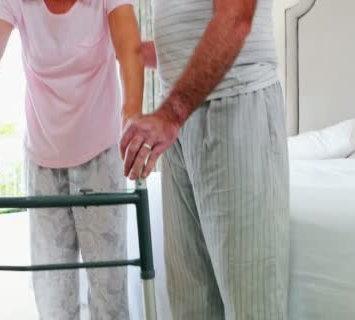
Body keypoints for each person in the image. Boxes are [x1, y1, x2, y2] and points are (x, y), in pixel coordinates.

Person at [0, 0, 144, 319]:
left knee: (108, 281)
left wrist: (133, 116)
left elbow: (129, 50)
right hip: (44, 159)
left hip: (100, 153)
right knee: (52, 286)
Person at [121, 0, 290, 319]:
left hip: (235, 103)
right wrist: (140, 52)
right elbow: (194, 27)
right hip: (181, 114)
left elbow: (236, 18)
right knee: (191, 301)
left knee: (250, 301)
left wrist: (169, 114)